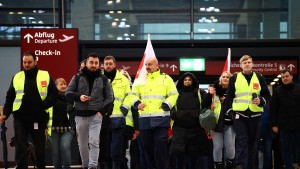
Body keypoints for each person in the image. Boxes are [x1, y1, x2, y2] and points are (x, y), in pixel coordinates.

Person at [0, 51, 58, 169]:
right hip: (20, 118)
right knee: (20, 146)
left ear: (35, 62)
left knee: (39, 148)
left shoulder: (45, 75)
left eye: (29, 62)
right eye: (24, 62)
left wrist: (44, 105)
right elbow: (10, 97)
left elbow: (54, 94)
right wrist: (5, 113)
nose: (26, 65)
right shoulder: (17, 77)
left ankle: (41, 166)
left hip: (38, 118)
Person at [65, 53, 114, 169]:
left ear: (99, 64)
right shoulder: (77, 77)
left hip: (95, 116)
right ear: (86, 63)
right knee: (82, 145)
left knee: (94, 142)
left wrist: (101, 112)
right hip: (80, 116)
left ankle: (92, 166)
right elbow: (68, 93)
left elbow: (110, 98)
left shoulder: (104, 79)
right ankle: (86, 165)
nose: (94, 65)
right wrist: (79, 97)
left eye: (96, 63)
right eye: (91, 62)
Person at [131, 56, 179, 169]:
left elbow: (174, 94)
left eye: (150, 64)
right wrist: (137, 103)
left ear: (157, 65)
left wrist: (167, 104)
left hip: (161, 119)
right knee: (146, 150)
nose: (147, 67)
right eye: (146, 65)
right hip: (144, 120)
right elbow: (132, 94)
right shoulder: (140, 80)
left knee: (161, 149)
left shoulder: (166, 79)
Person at [224, 55, 270, 169]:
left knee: (253, 144)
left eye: (249, 62)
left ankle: (251, 166)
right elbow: (229, 98)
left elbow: (267, 95)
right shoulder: (234, 78)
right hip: (239, 115)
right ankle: (240, 165)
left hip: (256, 115)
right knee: (241, 141)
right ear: (241, 65)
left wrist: (261, 101)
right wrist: (231, 113)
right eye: (244, 63)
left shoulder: (259, 77)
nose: (247, 64)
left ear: (252, 64)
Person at [170, 72, 210, 169]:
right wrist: (174, 114)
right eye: (185, 80)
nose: (187, 81)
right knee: (179, 156)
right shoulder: (176, 93)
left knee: (194, 157)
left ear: (193, 81)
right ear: (182, 81)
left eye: (189, 80)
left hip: (196, 129)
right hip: (180, 129)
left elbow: (206, 105)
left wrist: (210, 94)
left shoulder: (200, 92)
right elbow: (170, 105)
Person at [103, 55, 132, 169]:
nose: (108, 65)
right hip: (102, 118)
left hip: (118, 118)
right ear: (103, 65)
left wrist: (124, 109)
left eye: (110, 63)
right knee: (104, 151)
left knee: (116, 151)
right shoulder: (99, 78)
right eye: (106, 64)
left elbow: (130, 96)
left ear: (115, 64)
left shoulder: (123, 79)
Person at [269, 69, 300, 169]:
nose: (285, 78)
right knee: (286, 148)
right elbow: (273, 109)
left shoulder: (299, 88)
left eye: (287, 76)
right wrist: (274, 124)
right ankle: (288, 166)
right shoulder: (277, 91)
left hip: (298, 125)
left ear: (291, 76)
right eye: (283, 77)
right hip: (284, 126)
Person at [204, 71, 235, 169]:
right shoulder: (214, 91)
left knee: (230, 147)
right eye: (223, 77)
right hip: (216, 124)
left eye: (228, 77)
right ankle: (218, 166)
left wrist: (226, 102)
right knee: (217, 147)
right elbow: (204, 105)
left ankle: (230, 164)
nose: (225, 78)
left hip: (230, 123)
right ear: (220, 78)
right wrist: (209, 95)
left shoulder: (234, 92)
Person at [47, 78, 73, 169]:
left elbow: (74, 113)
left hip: (68, 129)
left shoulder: (70, 97)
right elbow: (46, 113)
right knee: (55, 151)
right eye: (61, 84)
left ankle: (66, 167)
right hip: (53, 129)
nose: (63, 86)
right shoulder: (51, 98)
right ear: (56, 86)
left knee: (65, 147)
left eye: (65, 84)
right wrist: (45, 127)